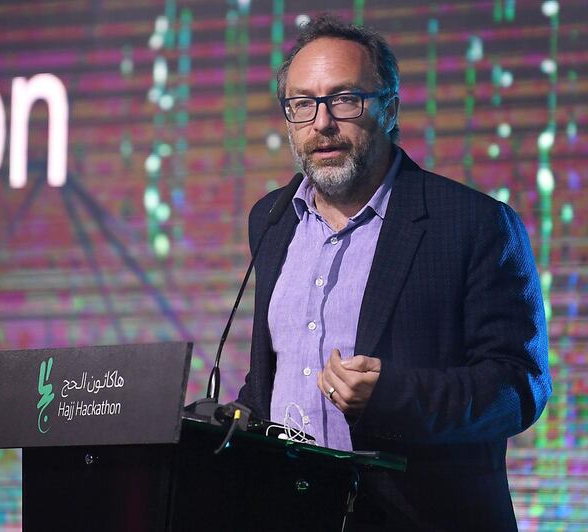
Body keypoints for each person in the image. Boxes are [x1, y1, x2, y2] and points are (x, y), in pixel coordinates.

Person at [236, 14, 551, 530]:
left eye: (344, 99)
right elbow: (275, 373)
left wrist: (394, 399)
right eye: (302, 104)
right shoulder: (271, 219)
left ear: (389, 109)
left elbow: (520, 388)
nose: (322, 123)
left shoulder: (474, 224)